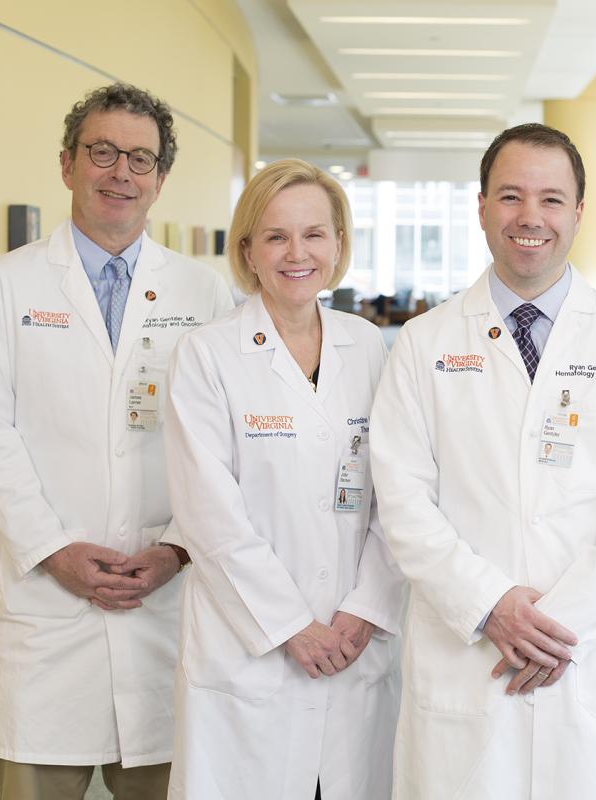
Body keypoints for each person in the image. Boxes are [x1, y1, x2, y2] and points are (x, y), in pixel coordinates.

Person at [370, 123, 596, 800]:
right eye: (510, 196)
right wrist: (492, 607)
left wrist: (557, 624)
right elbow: (401, 502)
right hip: (469, 655)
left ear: (577, 212)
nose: (529, 217)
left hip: (590, 661)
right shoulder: (423, 345)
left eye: (550, 198)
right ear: (481, 207)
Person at [0, 83, 234, 799]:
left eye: (140, 159)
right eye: (102, 152)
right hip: (46, 614)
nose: (121, 173)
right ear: (67, 164)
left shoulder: (202, 294)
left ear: (160, 179)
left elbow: (224, 446)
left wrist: (176, 545)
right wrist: (52, 550)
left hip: (163, 600)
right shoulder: (6, 286)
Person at [163, 159, 403, 799]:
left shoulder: (368, 345)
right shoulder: (208, 355)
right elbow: (207, 513)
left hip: (355, 642)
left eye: (315, 234)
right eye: (275, 236)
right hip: (253, 652)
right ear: (247, 250)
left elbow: (397, 496)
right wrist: (291, 626)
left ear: (339, 244)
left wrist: (366, 607)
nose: (297, 253)